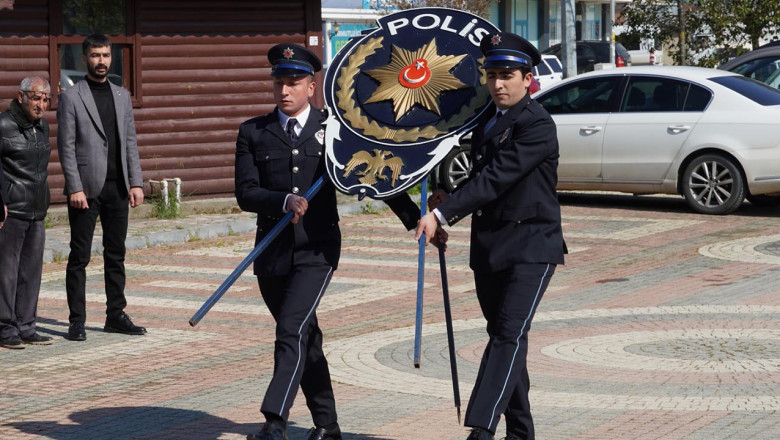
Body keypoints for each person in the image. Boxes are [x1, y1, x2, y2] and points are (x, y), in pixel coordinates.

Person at [235, 43, 425, 440]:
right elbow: (245, 192)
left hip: (317, 250)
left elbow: (375, 175)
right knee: (306, 337)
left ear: (311, 85)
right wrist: (282, 200)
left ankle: (274, 420)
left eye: (293, 83)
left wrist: (415, 220)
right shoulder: (253, 131)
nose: (284, 91)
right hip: (271, 252)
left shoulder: (335, 131)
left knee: (290, 329)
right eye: (278, 83)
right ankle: (328, 425)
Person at [416, 32, 567, 440]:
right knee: (506, 339)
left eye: (507, 75)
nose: (498, 84)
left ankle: (481, 430)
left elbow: (498, 179)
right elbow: (479, 177)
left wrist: (443, 214)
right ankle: (521, 433)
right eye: (492, 75)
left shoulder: (537, 124)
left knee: (508, 335)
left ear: (528, 78)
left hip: (532, 248)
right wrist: (447, 195)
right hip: (490, 249)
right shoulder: (488, 119)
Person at [57, 34, 146, 342]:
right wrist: (74, 187)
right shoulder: (71, 97)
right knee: (79, 256)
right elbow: (66, 147)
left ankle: (115, 315)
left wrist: (136, 181)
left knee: (116, 254)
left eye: (106, 55)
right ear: (85, 59)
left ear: (112, 58)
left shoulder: (122, 96)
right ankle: (77, 320)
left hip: (118, 187)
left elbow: (130, 142)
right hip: (86, 190)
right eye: (95, 55)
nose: (101, 61)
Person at [0, 76, 54, 349]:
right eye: (36, 97)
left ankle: (26, 326)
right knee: (6, 272)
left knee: (31, 271)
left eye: (46, 99)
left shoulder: (42, 126)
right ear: (20, 97)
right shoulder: (3, 125)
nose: (41, 104)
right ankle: (5, 327)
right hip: (11, 211)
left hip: (36, 209)